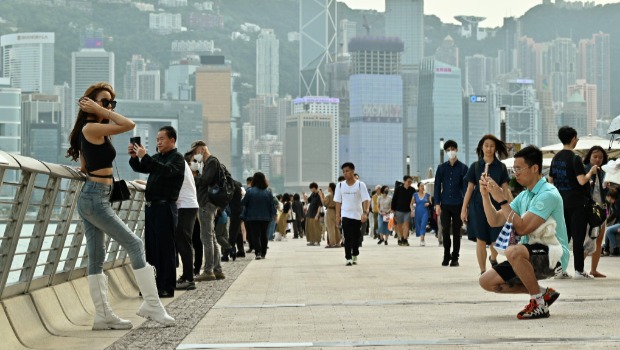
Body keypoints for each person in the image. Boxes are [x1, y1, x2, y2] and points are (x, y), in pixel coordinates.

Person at [68, 82, 174, 329]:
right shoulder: (91, 127)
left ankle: (103, 315)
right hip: (94, 198)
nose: (109, 106)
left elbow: (85, 167)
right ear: (92, 104)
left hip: (96, 195)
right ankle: (152, 305)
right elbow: (129, 125)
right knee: (135, 244)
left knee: (96, 256)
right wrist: (102, 111)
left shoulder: (96, 130)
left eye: (112, 103)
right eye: (105, 102)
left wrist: (103, 112)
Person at [479, 145, 569, 320]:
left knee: (513, 250)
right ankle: (543, 293)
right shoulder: (525, 195)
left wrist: (502, 199)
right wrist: (485, 196)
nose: (515, 174)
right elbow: (494, 220)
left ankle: (538, 303)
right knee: (487, 281)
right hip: (530, 254)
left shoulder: (548, 194)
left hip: (553, 255)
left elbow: (521, 227)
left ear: (535, 168)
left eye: (519, 169)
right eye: (514, 169)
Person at [129, 126, 185, 298]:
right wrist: (134, 158)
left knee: (165, 248)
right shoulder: (158, 158)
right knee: (152, 248)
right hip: (152, 207)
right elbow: (143, 168)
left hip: (165, 207)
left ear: (172, 140)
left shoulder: (177, 159)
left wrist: (144, 156)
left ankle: (167, 287)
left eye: (161, 139)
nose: (158, 142)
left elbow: (165, 171)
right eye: (157, 139)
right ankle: (152, 287)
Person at [548, 126, 597, 279]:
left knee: (563, 237)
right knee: (578, 237)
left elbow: (551, 181)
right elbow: (582, 180)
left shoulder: (555, 158)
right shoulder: (575, 158)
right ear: (574, 138)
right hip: (577, 203)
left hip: (561, 203)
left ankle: (559, 270)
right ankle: (579, 271)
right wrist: (591, 172)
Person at [461, 134, 511, 274]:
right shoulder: (475, 166)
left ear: (495, 148)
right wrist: (464, 209)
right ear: (481, 147)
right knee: (481, 240)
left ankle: (493, 258)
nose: (489, 148)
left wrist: (506, 207)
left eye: (492, 146)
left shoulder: (501, 167)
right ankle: (483, 271)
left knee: (496, 240)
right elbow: (470, 189)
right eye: (486, 145)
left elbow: (505, 189)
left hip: (496, 206)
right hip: (477, 206)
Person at [192, 142, 228, 281]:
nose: (195, 155)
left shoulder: (211, 162)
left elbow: (204, 181)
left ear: (202, 148)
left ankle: (208, 271)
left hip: (206, 203)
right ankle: (217, 269)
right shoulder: (210, 163)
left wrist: (195, 174)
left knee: (206, 238)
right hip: (210, 203)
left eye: (195, 151)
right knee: (211, 237)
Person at [434, 140, 468, 267]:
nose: (450, 152)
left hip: (458, 204)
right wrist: (437, 204)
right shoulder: (441, 168)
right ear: (446, 152)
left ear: (457, 150)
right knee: (445, 230)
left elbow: (466, 188)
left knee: (456, 232)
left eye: (452, 149)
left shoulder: (463, 168)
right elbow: (437, 186)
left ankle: (455, 258)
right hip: (445, 204)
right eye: (448, 150)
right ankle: (446, 255)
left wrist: (466, 206)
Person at [334, 162, 371, 266]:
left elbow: (366, 200)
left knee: (356, 237)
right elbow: (337, 201)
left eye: (347, 171)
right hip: (345, 214)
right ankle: (348, 258)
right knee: (347, 236)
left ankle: (355, 253)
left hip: (358, 215)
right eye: (343, 171)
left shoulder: (360, 185)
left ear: (353, 171)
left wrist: (365, 212)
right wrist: (338, 216)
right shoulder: (340, 185)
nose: (345, 173)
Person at [174, 150, 200, 291]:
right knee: (184, 242)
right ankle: (186, 276)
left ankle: (189, 279)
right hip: (187, 205)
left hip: (185, 206)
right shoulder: (182, 164)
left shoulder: (177, 162)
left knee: (184, 242)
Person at [583, 146, 608, 277]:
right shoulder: (585, 169)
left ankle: (594, 269)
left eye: (601, 157)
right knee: (590, 239)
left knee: (599, 239)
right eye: (595, 157)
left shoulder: (603, 172)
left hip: (602, 209)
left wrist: (608, 187)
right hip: (589, 209)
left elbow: (605, 193)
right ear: (590, 157)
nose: (598, 159)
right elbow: (581, 185)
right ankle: (579, 268)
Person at [241, 172, 277, 259]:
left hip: (252, 217)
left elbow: (243, 203)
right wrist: (274, 215)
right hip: (266, 217)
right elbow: (272, 205)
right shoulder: (268, 192)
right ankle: (264, 253)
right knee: (264, 235)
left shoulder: (249, 191)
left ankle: (258, 252)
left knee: (255, 235)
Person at [391, 176, 415, 246]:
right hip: (399, 210)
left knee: (407, 225)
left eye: (411, 182)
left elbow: (414, 201)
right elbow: (394, 199)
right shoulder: (398, 189)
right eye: (408, 181)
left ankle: (405, 239)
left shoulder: (412, 190)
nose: (409, 183)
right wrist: (392, 209)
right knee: (399, 225)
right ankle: (401, 237)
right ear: (404, 181)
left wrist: (413, 210)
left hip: (408, 210)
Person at [320, 183, 339, 248]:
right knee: (336, 228)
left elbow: (324, 203)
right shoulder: (336, 195)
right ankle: (337, 242)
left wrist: (321, 196)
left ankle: (332, 243)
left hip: (330, 211)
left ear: (331, 188)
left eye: (328, 187)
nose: (328, 188)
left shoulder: (329, 196)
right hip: (336, 211)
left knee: (330, 227)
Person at [414, 182, 431, 246]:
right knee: (418, 225)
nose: (422, 187)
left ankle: (422, 240)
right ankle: (421, 236)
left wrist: (428, 204)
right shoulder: (415, 195)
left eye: (423, 186)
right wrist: (412, 210)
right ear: (418, 187)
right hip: (417, 212)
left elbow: (431, 203)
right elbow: (411, 203)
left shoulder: (427, 195)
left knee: (423, 225)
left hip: (425, 212)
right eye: (421, 186)